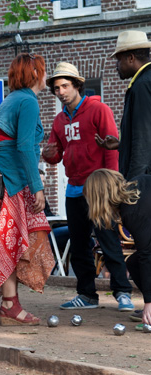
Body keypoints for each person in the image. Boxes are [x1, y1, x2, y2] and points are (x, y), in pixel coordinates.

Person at [42, 62, 133, 311]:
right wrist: (47, 154)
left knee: (108, 239)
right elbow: (55, 156)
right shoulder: (59, 120)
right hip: (73, 189)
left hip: (99, 189)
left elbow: (111, 147)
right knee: (79, 244)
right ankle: (87, 295)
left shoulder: (98, 109)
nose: (60, 91)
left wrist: (112, 184)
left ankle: (123, 292)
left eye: (65, 86)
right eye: (56, 88)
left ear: (77, 86)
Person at [0, 53, 54, 326]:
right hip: (12, 183)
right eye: (43, 70)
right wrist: (37, 187)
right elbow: (23, 148)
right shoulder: (27, 101)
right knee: (11, 243)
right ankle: (10, 306)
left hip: (0, 178)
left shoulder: (10, 100)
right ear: (34, 73)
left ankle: (10, 303)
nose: (46, 75)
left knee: (6, 243)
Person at [83, 169, 151, 326]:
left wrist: (149, 302)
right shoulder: (137, 184)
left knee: (141, 260)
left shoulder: (132, 212)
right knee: (133, 263)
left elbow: (147, 255)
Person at [95, 31, 151, 181]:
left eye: (118, 60)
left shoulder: (142, 86)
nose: (116, 66)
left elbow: (143, 140)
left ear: (131, 58)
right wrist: (122, 145)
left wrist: (132, 187)